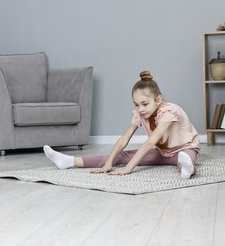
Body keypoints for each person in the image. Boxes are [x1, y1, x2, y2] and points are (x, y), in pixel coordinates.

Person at [43, 71, 200, 179]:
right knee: (121, 155)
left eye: (144, 104)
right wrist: (109, 162)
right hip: (163, 153)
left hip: (184, 148)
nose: (140, 109)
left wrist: (129, 168)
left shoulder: (169, 111)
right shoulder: (141, 113)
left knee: (186, 156)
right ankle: (70, 161)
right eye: (137, 104)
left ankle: (187, 168)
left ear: (157, 100)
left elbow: (151, 141)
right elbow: (124, 138)